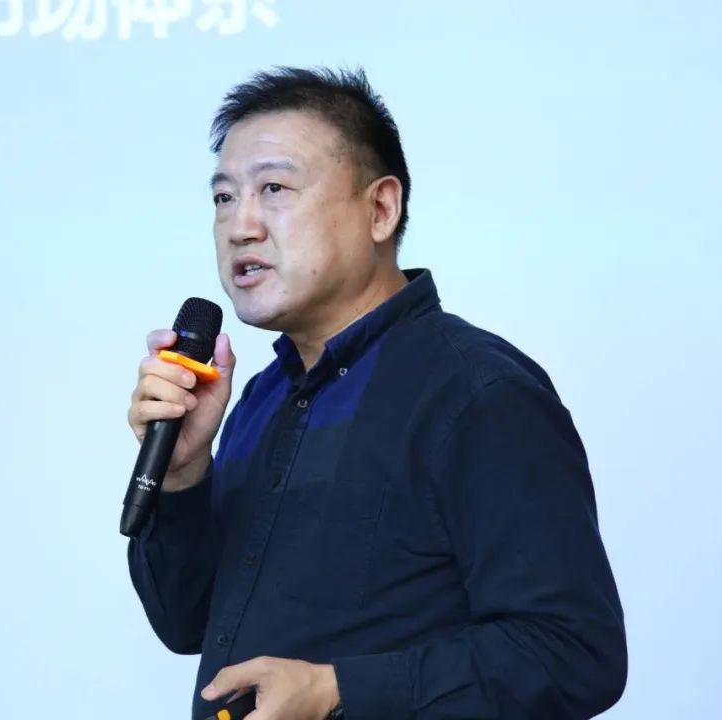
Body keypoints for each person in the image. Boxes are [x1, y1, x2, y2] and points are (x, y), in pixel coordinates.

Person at [125, 66, 627, 720]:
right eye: (223, 197)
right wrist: (184, 474)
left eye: (274, 188)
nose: (240, 226)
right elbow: (186, 623)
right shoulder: (259, 399)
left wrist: (339, 691)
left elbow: (574, 653)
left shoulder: (478, 393)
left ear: (381, 209)